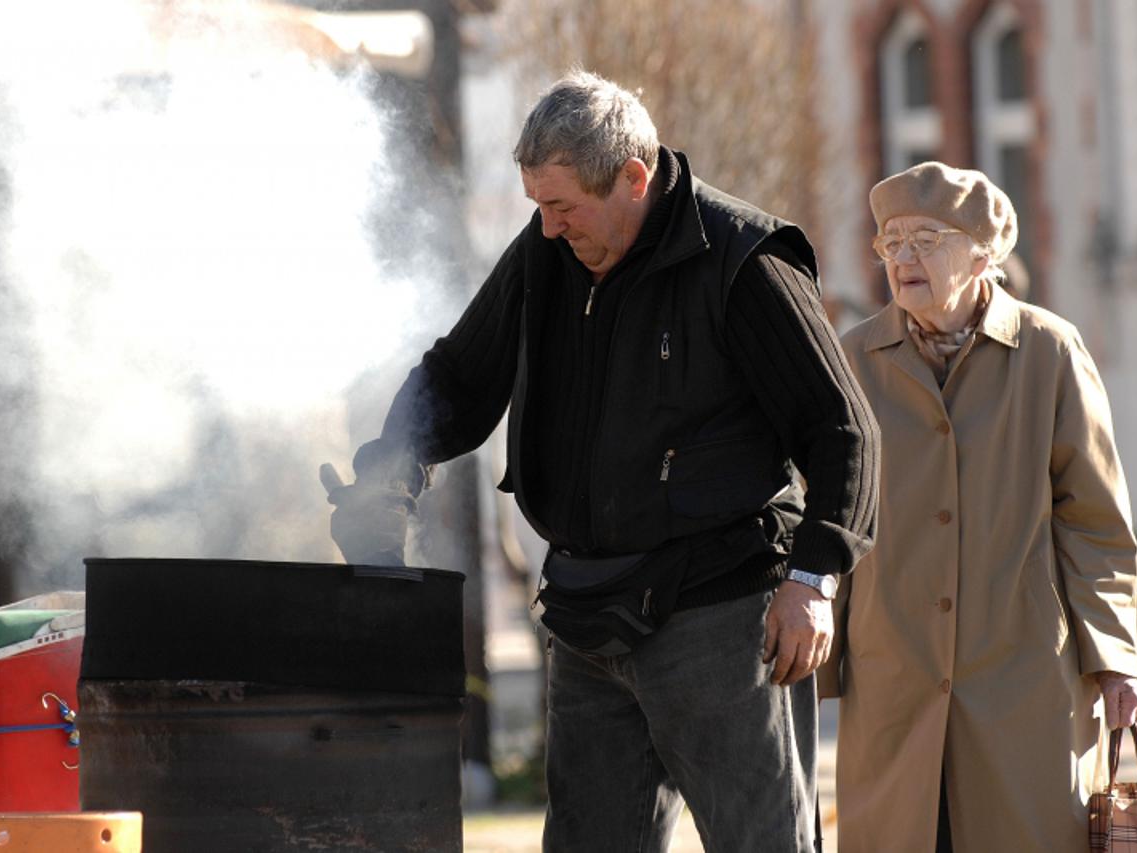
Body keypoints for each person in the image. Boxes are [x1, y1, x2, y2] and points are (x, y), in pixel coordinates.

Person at [326, 70, 878, 852]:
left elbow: (844, 427)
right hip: (587, 616)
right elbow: (459, 377)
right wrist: (389, 470)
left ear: (632, 178)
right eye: (537, 207)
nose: (549, 229)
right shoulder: (543, 253)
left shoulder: (744, 259)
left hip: (721, 618)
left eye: (563, 208)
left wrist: (815, 577)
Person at [821, 161, 1137, 852]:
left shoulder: (1051, 353)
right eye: (891, 242)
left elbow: (1095, 522)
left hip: (1024, 679)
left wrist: (1115, 657)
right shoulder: (850, 359)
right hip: (894, 676)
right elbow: (825, 507)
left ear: (982, 252)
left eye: (925, 239)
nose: (904, 258)